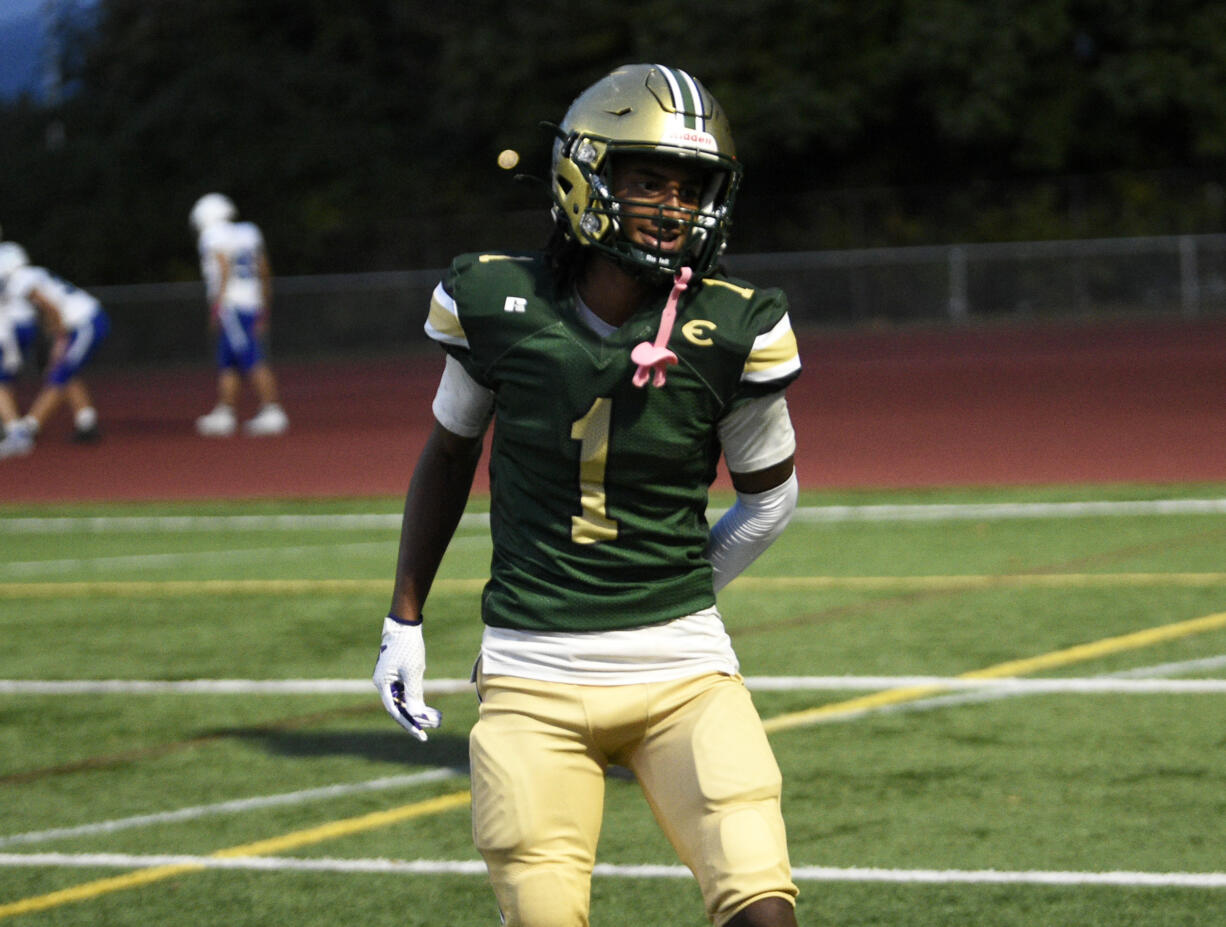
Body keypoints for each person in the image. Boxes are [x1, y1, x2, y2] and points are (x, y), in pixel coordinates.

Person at [372, 64, 802, 927]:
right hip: (532, 675)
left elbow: (769, 500)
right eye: (649, 181)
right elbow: (450, 453)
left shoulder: (733, 326)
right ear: (587, 173)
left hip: (685, 672)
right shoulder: (496, 300)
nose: (675, 206)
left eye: (691, 187)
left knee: (762, 903)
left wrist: (674, 594)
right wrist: (403, 618)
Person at [189, 192, 288, 437]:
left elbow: (223, 267)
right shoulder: (248, 232)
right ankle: (225, 412)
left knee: (250, 357)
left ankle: (273, 410)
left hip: (232, 305)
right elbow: (264, 269)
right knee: (228, 360)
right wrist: (264, 304)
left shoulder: (212, 236)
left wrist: (217, 305)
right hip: (252, 302)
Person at [0, 242, 110, 458]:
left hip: (83, 324)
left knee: (59, 373)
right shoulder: (33, 272)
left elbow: (50, 307)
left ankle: (26, 430)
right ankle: (86, 422)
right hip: (86, 320)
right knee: (65, 371)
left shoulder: (19, 279)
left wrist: (61, 339)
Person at [0, 244, 39, 436]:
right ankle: (9, 421)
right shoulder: (11, 252)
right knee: (6, 378)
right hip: (26, 322)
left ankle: (15, 431)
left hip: (6, 327)